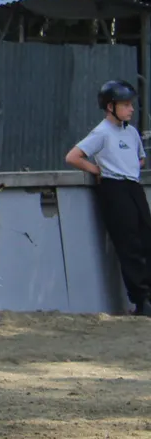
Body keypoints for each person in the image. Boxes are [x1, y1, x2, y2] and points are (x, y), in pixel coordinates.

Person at [66, 81, 150, 316]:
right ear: (111, 107)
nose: (131, 109)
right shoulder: (102, 132)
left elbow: (140, 159)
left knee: (146, 238)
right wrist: (97, 169)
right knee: (129, 244)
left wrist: (127, 163)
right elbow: (73, 156)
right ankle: (140, 300)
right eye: (125, 105)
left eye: (131, 105)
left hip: (134, 186)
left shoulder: (131, 132)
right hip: (115, 188)